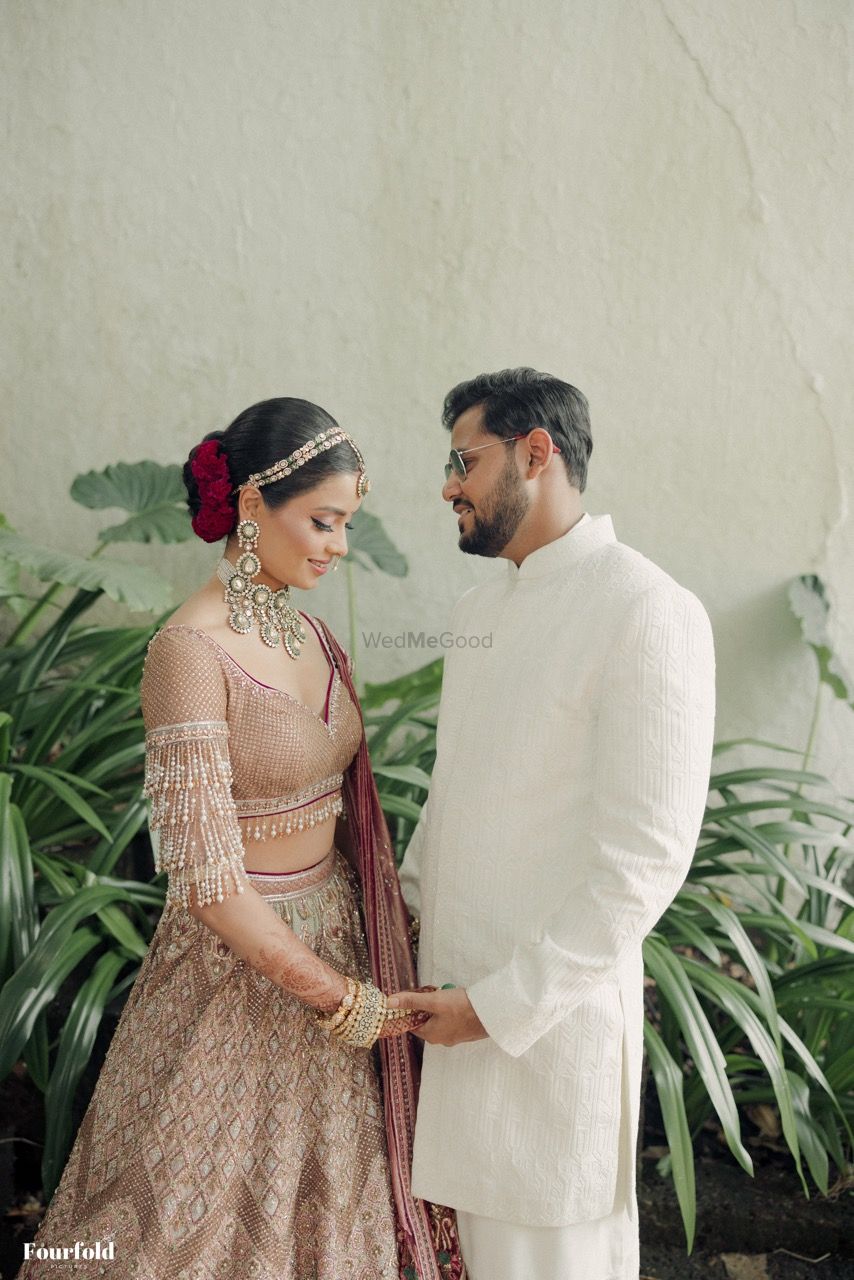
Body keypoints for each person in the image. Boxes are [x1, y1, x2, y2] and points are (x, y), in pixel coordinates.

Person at [19, 398, 465, 1280]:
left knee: (338, 1217)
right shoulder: (188, 652)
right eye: (323, 521)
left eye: (347, 524)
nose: (338, 546)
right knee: (181, 1228)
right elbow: (207, 879)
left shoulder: (314, 635)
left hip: (342, 936)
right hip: (238, 973)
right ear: (254, 504)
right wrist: (341, 999)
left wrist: (372, 963)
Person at [388, 369, 716, 1280]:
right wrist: (393, 931)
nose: (447, 484)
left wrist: (493, 1010)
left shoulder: (647, 610)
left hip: (541, 1034)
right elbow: (453, 803)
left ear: (539, 453)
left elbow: (643, 865)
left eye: (465, 459)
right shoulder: (477, 609)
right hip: (443, 1018)